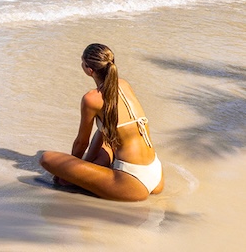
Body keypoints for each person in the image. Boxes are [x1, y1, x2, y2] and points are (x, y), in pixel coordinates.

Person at [40, 43, 164, 202]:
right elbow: (104, 129)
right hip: (156, 173)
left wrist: (69, 171)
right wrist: (86, 163)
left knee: (46, 158)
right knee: (104, 141)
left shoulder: (91, 99)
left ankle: (84, 182)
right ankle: (98, 169)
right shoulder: (123, 84)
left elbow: (81, 143)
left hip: (132, 183)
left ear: (89, 70)